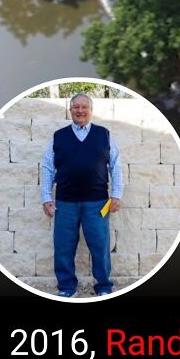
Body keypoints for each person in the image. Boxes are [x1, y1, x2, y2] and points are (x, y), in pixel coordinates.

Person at [40, 93, 123, 298]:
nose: (80, 110)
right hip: (65, 202)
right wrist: (46, 198)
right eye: (75, 107)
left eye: (84, 107)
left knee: (100, 245)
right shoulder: (58, 136)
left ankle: (104, 287)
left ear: (90, 110)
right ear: (70, 111)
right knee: (63, 246)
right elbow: (47, 168)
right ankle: (67, 287)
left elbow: (116, 166)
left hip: (97, 202)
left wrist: (117, 194)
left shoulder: (104, 134)